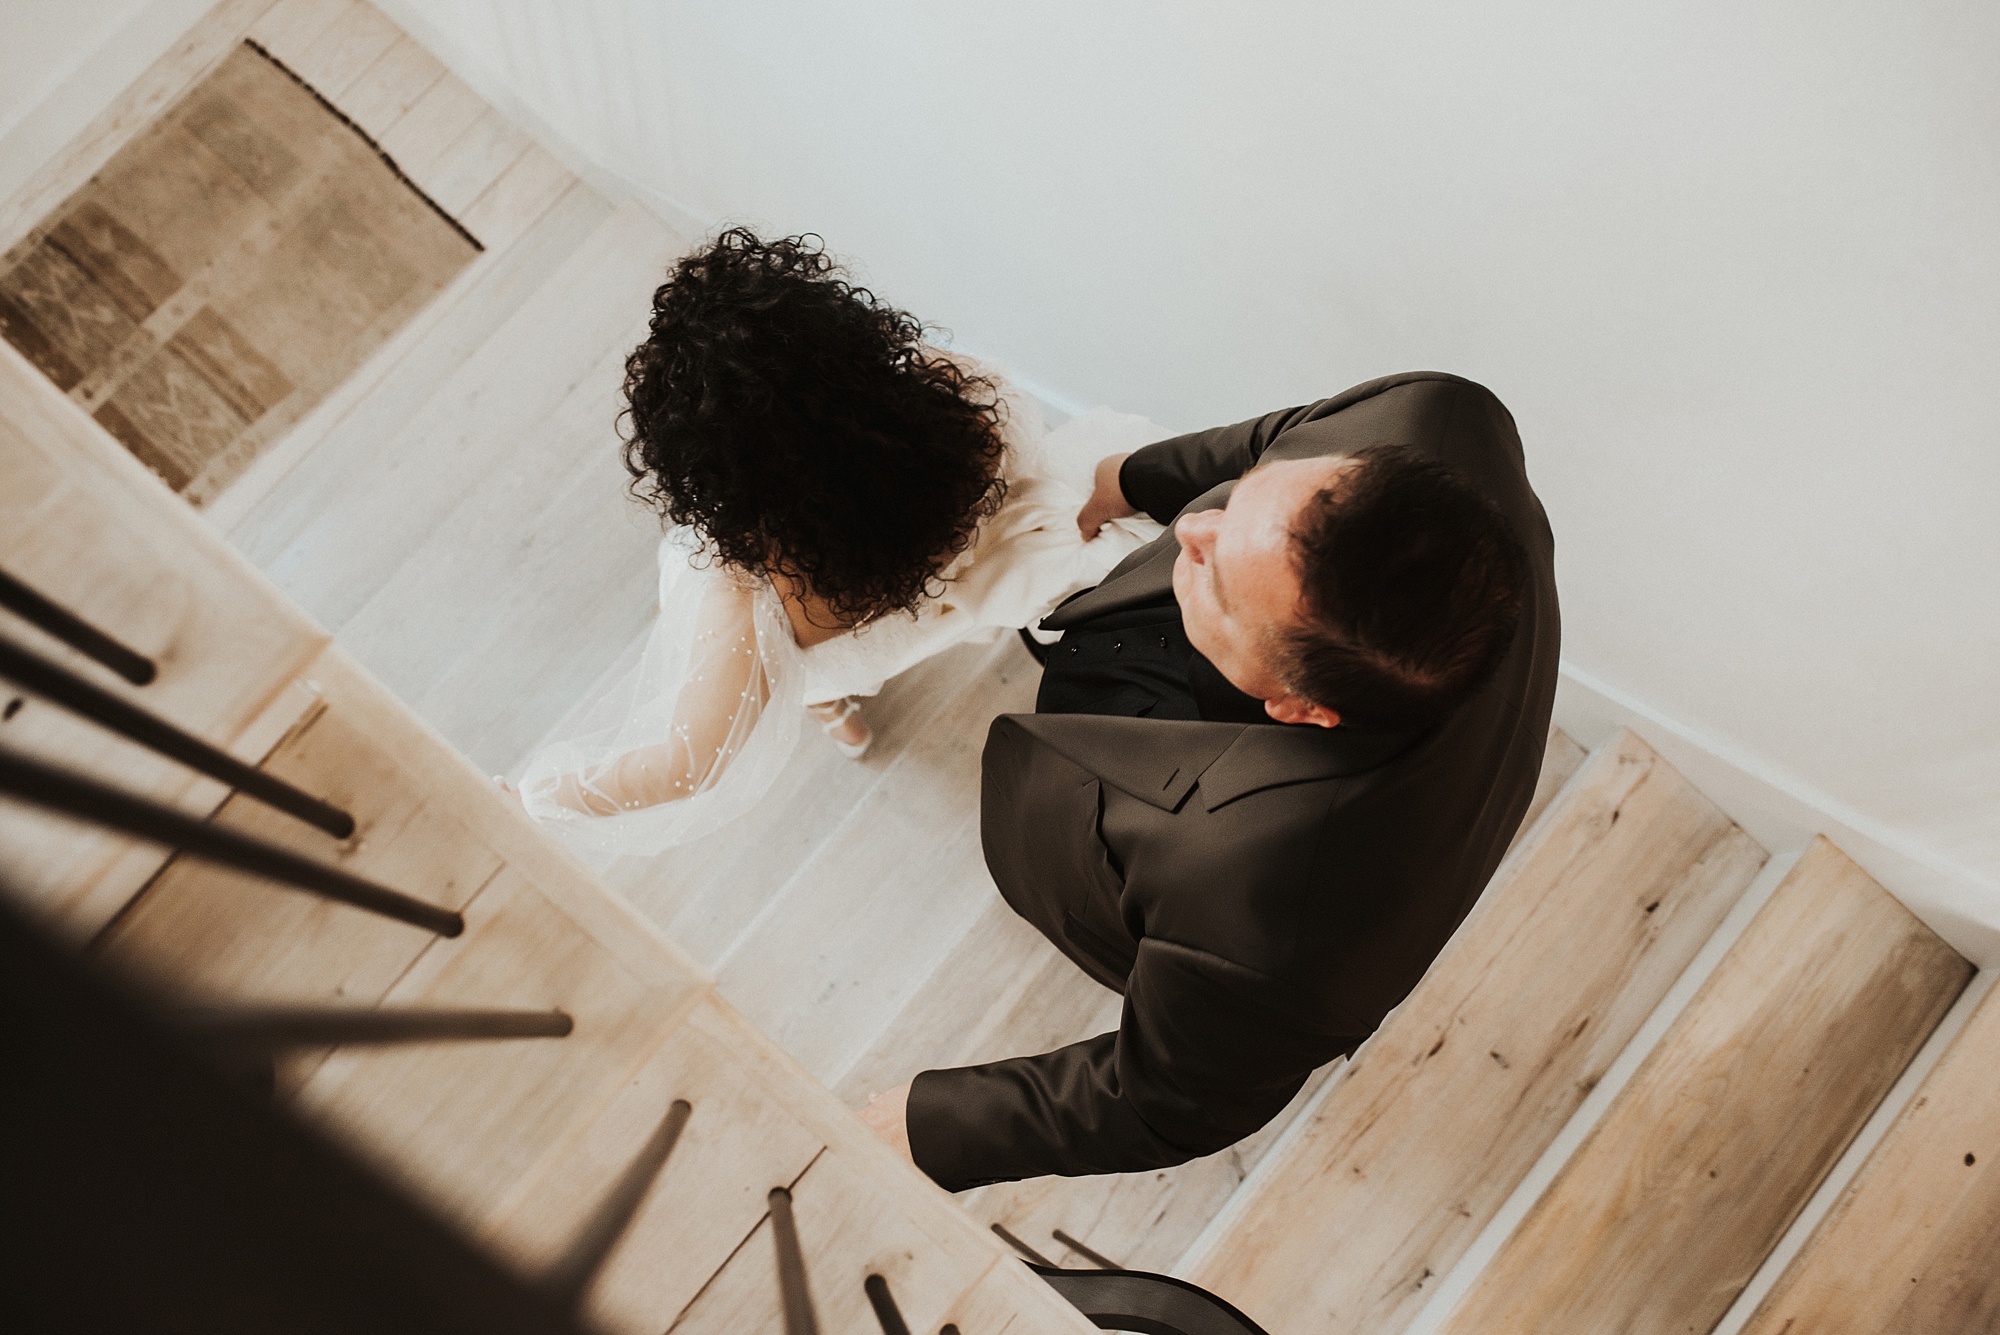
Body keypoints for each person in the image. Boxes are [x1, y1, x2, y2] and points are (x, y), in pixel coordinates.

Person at [859, 371, 1559, 1189]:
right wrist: (1129, 479)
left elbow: (1164, 1102)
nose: (1193, 526)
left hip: (1149, 855)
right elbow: (1272, 444)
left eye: (1218, 575)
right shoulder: (1438, 416)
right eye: (1240, 506)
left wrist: (934, 1124)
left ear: (1297, 708)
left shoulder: (1265, 925)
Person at [515, 231, 1164, 858]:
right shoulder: (962, 396)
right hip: (959, 590)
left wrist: (540, 795)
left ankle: (823, 700)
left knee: (757, 657)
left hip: (846, 619)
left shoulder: (750, 587)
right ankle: (823, 693)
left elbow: (688, 763)